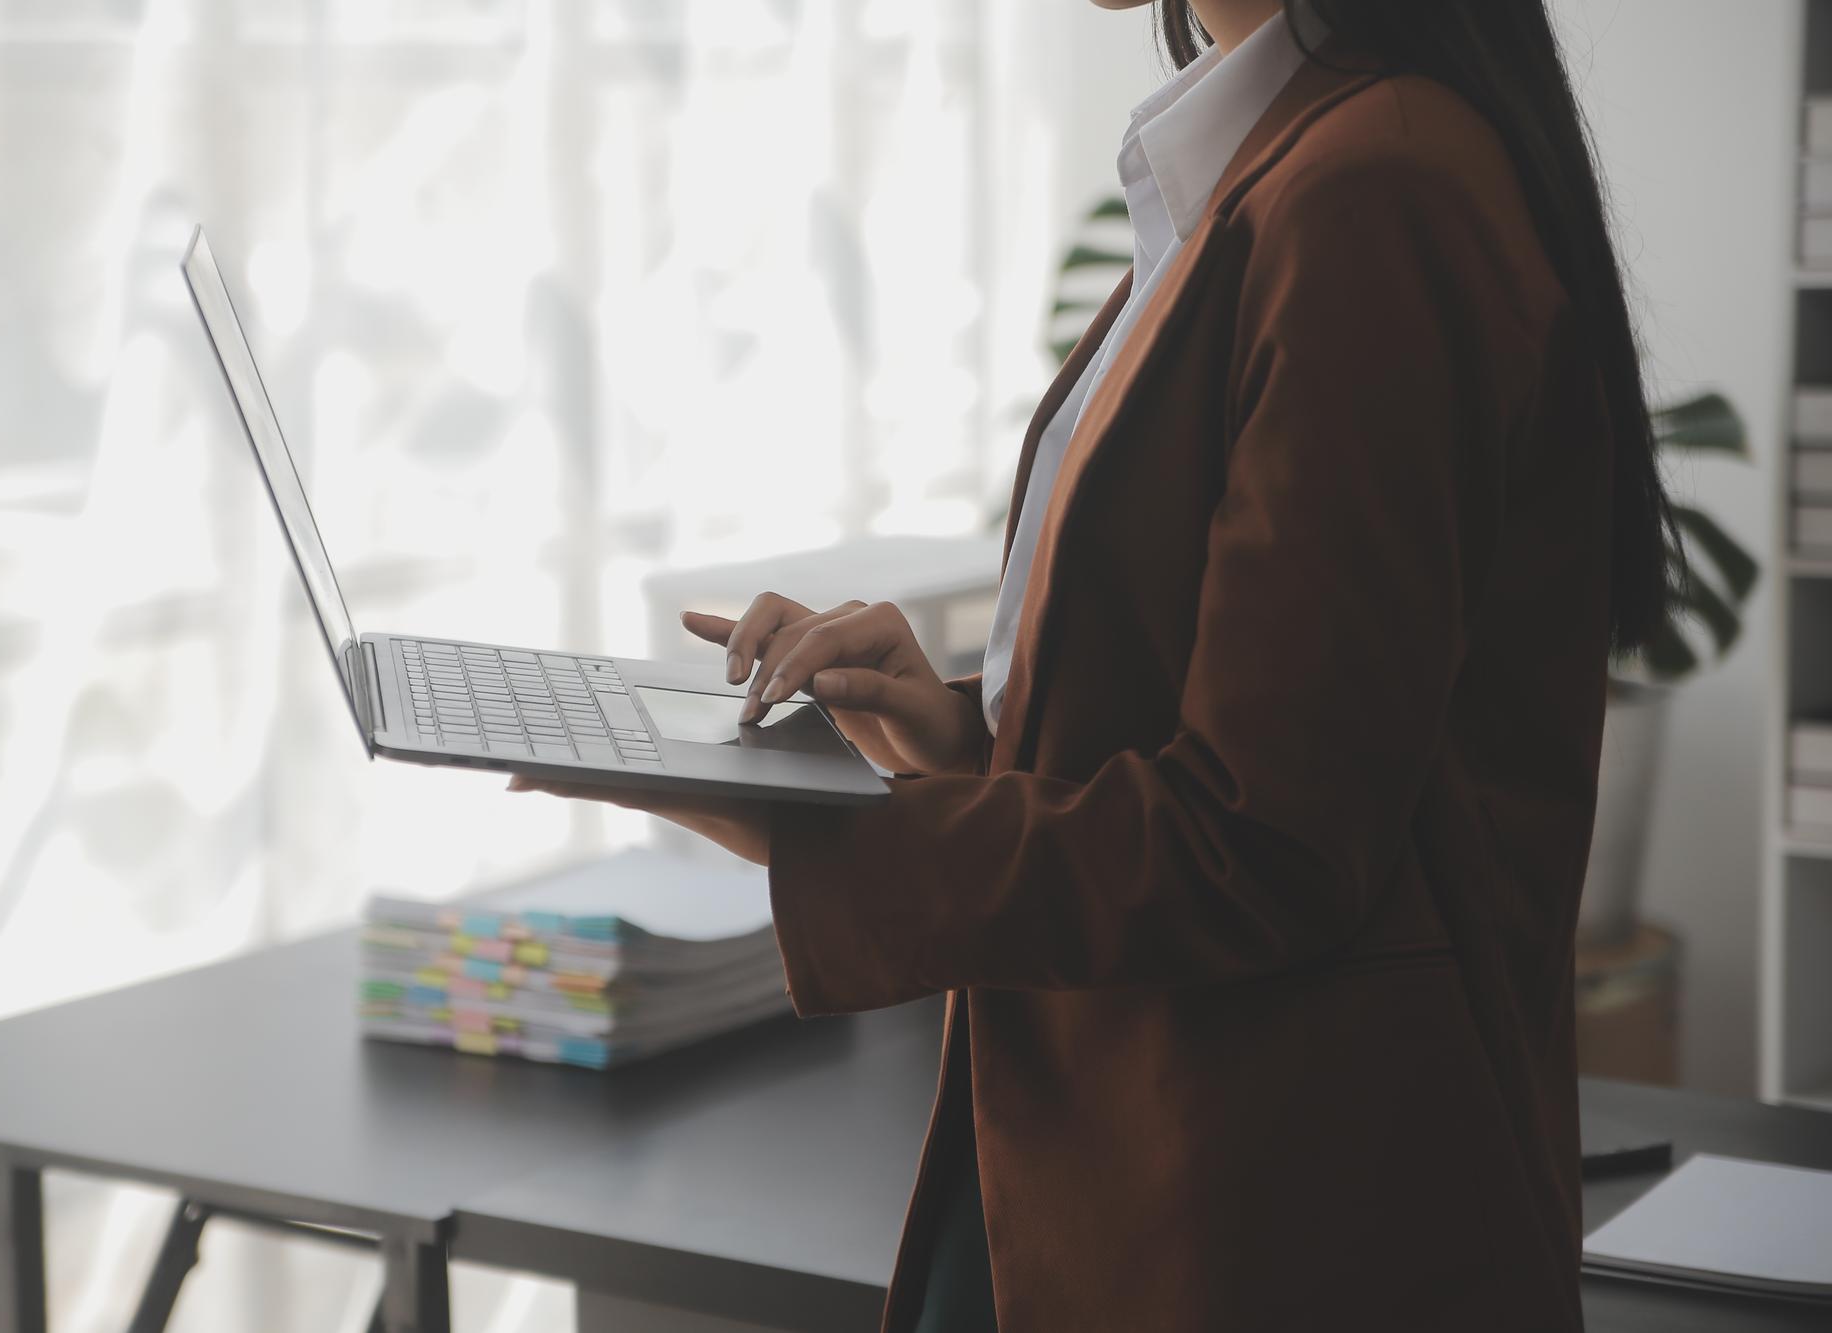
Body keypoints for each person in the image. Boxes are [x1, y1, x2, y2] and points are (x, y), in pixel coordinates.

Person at [511, 0, 1679, 1327]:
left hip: (1260, 1223)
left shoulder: (1374, 189)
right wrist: (969, 738)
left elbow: (1263, 844)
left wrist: (813, 836)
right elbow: (1259, 718)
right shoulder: (1285, 156)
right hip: (1139, 1167)